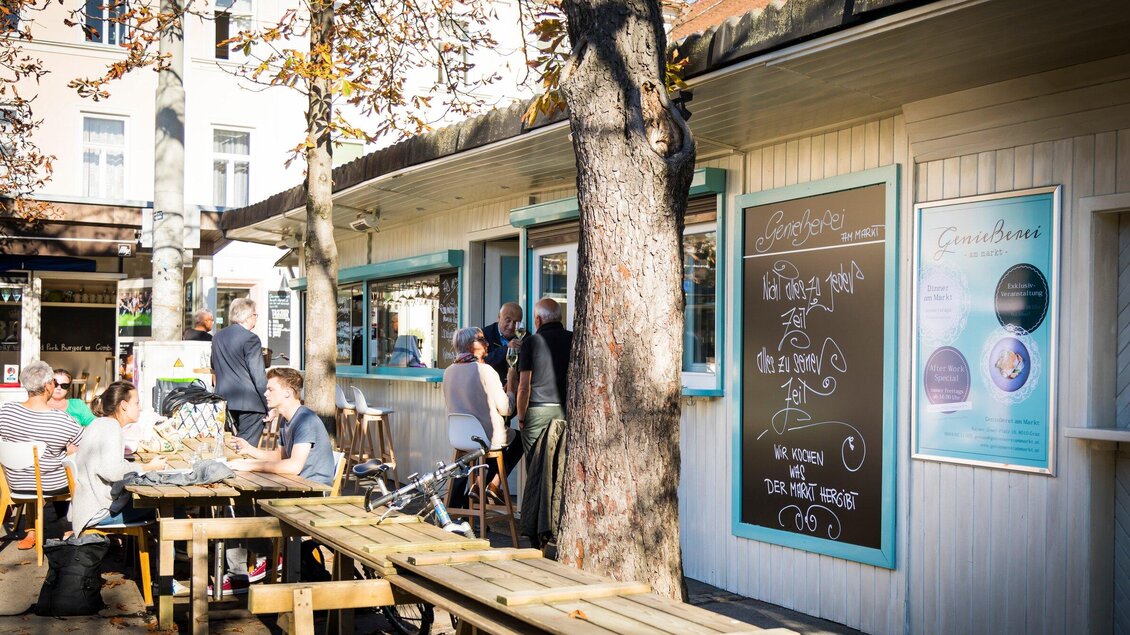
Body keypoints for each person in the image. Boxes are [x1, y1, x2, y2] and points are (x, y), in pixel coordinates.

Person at [0, 361, 84, 549]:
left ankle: (41, 530)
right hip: (50, 484)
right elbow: (86, 444)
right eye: (53, 381)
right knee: (78, 468)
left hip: (16, 483)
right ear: (48, 386)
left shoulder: (6, 411)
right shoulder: (62, 420)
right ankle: (78, 528)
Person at [71, 381, 166, 534]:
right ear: (124, 405)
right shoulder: (112, 427)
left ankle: (145, 548)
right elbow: (113, 471)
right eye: (136, 403)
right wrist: (147, 467)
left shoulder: (99, 423)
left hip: (87, 508)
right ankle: (173, 549)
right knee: (170, 505)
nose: (139, 408)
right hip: (99, 512)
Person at [442, 327, 521, 507]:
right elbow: (507, 409)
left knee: (473, 455)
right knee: (519, 440)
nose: (487, 343)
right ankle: (489, 485)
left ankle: (461, 502)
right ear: (470, 346)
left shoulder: (448, 371)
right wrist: (511, 385)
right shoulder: (485, 371)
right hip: (487, 438)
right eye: (482, 340)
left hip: (459, 437)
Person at [227, 367, 336, 487]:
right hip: (295, 483)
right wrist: (249, 450)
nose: (265, 394)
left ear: (287, 393)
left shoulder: (305, 420)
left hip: (314, 488)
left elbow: (294, 466)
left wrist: (251, 466)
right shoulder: (285, 419)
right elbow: (280, 456)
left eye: (270, 389)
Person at [516, 298, 573, 453]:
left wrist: (521, 417)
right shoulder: (573, 339)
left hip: (538, 411)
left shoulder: (531, 342)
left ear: (538, 320)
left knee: (535, 461)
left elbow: (524, 387)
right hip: (566, 409)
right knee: (560, 460)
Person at [212, 298, 268, 446]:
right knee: (246, 448)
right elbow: (258, 375)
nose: (256, 318)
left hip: (224, 399)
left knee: (230, 445)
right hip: (250, 402)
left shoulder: (218, 337)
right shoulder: (251, 338)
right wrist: (268, 403)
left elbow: (214, 365)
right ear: (248, 316)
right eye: (255, 315)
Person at [482, 302, 523, 384]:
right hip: (491, 385)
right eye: (508, 321)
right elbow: (482, 362)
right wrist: (506, 348)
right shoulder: (484, 335)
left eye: (516, 322)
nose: (511, 326)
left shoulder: (524, 337)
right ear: (498, 317)